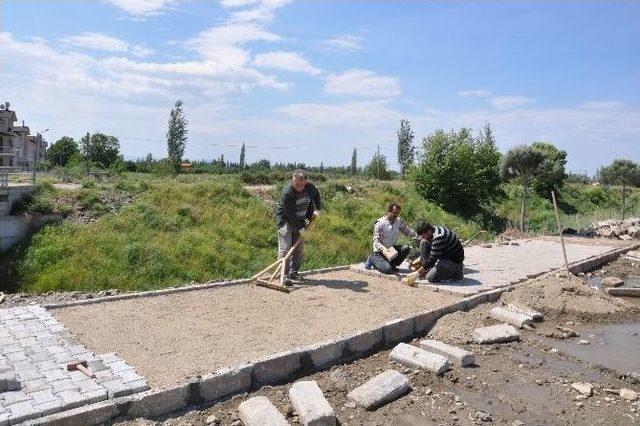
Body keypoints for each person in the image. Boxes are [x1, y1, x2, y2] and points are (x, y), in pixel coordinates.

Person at [275, 169, 321, 284]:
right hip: (286, 221)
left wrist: (317, 209)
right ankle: (283, 275)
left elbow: (316, 195)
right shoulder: (287, 193)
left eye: (302, 185)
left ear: (305, 182)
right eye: (297, 184)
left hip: (300, 220)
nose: (300, 187)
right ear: (293, 180)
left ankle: (293, 273)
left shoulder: (310, 187)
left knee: (298, 250)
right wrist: (301, 229)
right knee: (285, 249)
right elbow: (290, 215)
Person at [369, 203, 418, 274]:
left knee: (406, 248)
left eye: (398, 213)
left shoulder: (398, 221)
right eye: (394, 213)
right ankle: (372, 259)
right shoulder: (380, 224)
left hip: (391, 251)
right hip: (380, 253)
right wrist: (384, 249)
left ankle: (392, 264)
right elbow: (376, 241)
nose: (396, 215)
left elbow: (407, 231)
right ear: (389, 211)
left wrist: (419, 236)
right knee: (387, 270)